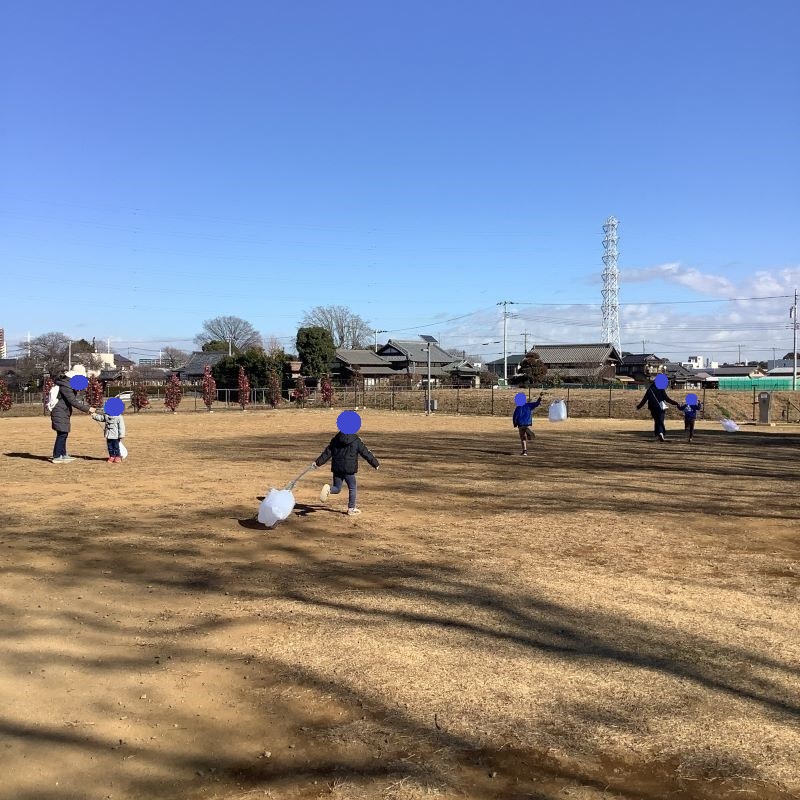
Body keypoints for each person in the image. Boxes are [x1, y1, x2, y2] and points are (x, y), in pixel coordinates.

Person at [313, 429, 380, 516]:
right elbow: (365, 452)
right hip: (349, 469)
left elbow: (327, 453)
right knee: (352, 488)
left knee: (337, 488)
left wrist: (317, 463)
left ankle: (329, 489)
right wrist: (375, 463)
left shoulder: (336, 439)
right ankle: (351, 509)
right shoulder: (356, 440)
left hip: (337, 468)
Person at [49, 366, 96, 463]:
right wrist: (88, 409)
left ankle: (63, 454)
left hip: (63, 410)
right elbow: (73, 401)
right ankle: (57, 456)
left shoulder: (67, 384)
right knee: (62, 433)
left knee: (64, 433)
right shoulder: (66, 386)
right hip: (59, 411)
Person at [636, 377, 679, 441]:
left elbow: (644, 399)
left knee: (656, 421)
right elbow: (666, 398)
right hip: (661, 407)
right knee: (660, 420)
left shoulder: (650, 390)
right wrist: (675, 403)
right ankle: (661, 433)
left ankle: (658, 434)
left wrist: (639, 406)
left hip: (653, 408)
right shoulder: (661, 389)